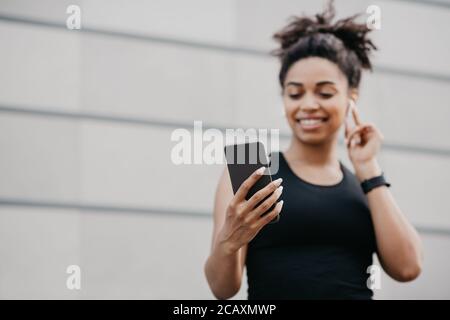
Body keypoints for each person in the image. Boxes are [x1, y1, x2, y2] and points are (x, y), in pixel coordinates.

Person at [204, 1, 423, 299]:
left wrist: (368, 166)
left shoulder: (367, 184)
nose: (308, 104)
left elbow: (408, 268)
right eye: (295, 93)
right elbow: (222, 289)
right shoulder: (249, 167)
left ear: (351, 98)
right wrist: (228, 241)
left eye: (325, 92)